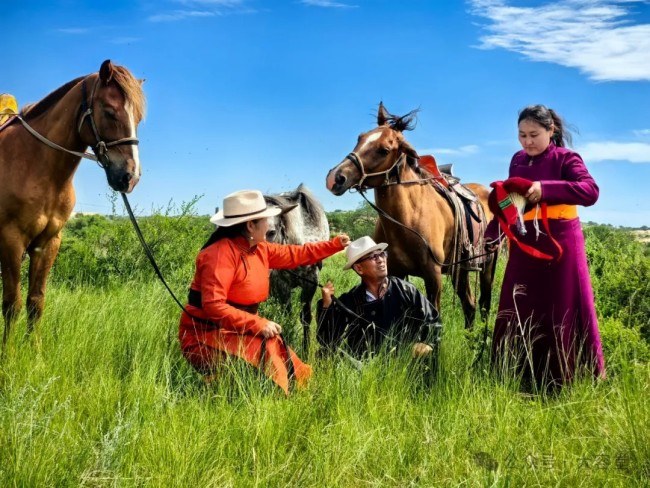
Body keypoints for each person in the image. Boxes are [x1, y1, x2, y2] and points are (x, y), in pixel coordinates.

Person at [178, 189, 350, 394]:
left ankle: (289, 392)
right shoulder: (219, 255)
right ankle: (244, 392)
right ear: (250, 225)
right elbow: (214, 306)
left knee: (284, 354)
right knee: (269, 355)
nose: (270, 225)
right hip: (204, 336)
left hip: (239, 331)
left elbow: (298, 253)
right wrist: (258, 323)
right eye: (266, 220)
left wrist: (334, 245)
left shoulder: (259, 248)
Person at [484, 104, 605, 389]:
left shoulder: (567, 158)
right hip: (525, 245)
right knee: (519, 303)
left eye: (534, 134)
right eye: (522, 135)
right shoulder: (517, 160)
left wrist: (546, 188)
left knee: (560, 305)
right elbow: (511, 203)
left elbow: (591, 191)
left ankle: (565, 378)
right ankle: (514, 374)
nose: (527, 142)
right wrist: (494, 234)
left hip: (562, 244)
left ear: (552, 130)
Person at [316, 236, 442, 360]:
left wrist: (427, 343)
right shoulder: (351, 300)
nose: (381, 260)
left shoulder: (406, 290)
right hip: (365, 370)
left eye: (382, 254)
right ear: (359, 268)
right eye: (373, 257)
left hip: (405, 364)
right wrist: (326, 305)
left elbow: (433, 320)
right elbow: (327, 340)